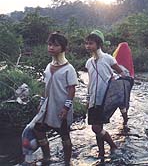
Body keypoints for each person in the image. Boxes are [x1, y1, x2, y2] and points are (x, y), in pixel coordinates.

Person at [33, 31, 78, 165]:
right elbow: (45, 86)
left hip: (61, 108)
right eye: (50, 45)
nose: (51, 48)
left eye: (56, 45)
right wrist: (41, 102)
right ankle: (47, 157)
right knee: (38, 129)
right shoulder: (48, 66)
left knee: (64, 135)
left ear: (63, 48)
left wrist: (66, 107)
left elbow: (72, 89)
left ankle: (67, 161)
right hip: (47, 108)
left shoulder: (69, 69)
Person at [85, 30, 125, 160]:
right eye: (87, 43)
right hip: (93, 99)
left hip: (104, 98)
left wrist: (114, 83)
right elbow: (90, 81)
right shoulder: (89, 62)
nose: (88, 46)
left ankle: (113, 146)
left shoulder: (108, 58)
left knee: (96, 128)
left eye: (91, 43)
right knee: (98, 127)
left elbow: (122, 73)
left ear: (98, 44)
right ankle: (101, 152)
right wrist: (88, 98)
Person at [112, 42, 135, 126]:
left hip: (118, 85)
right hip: (127, 83)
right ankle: (125, 119)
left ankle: (124, 119)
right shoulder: (129, 63)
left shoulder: (115, 63)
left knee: (120, 102)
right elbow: (131, 77)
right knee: (125, 101)